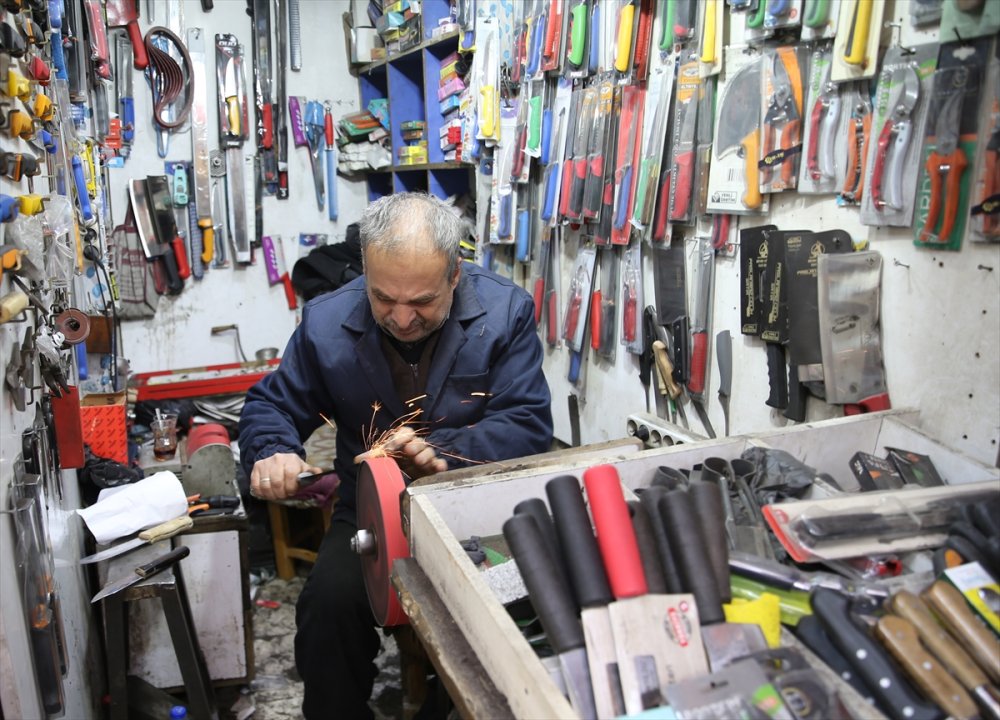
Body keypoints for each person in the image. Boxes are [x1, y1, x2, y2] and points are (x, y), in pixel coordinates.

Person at [238, 192, 553, 719]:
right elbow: (273, 403)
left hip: (471, 510)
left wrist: (441, 453)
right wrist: (272, 450)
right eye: (384, 299)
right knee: (326, 614)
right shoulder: (325, 322)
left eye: (423, 302)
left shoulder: (505, 312)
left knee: (497, 636)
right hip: (368, 511)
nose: (402, 318)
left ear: (455, 274)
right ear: (365, 270)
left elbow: (527, 423)